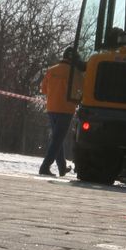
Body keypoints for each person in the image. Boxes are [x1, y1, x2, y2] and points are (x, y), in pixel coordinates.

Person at [38, 46, 84, 177]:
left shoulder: (51, 70)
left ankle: (62, 167)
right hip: (66, 109)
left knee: (57, 138)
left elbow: (44, 90)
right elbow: (83, 90)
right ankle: (45, 167)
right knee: (57, 139)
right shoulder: (76, 73)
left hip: (51, 108)